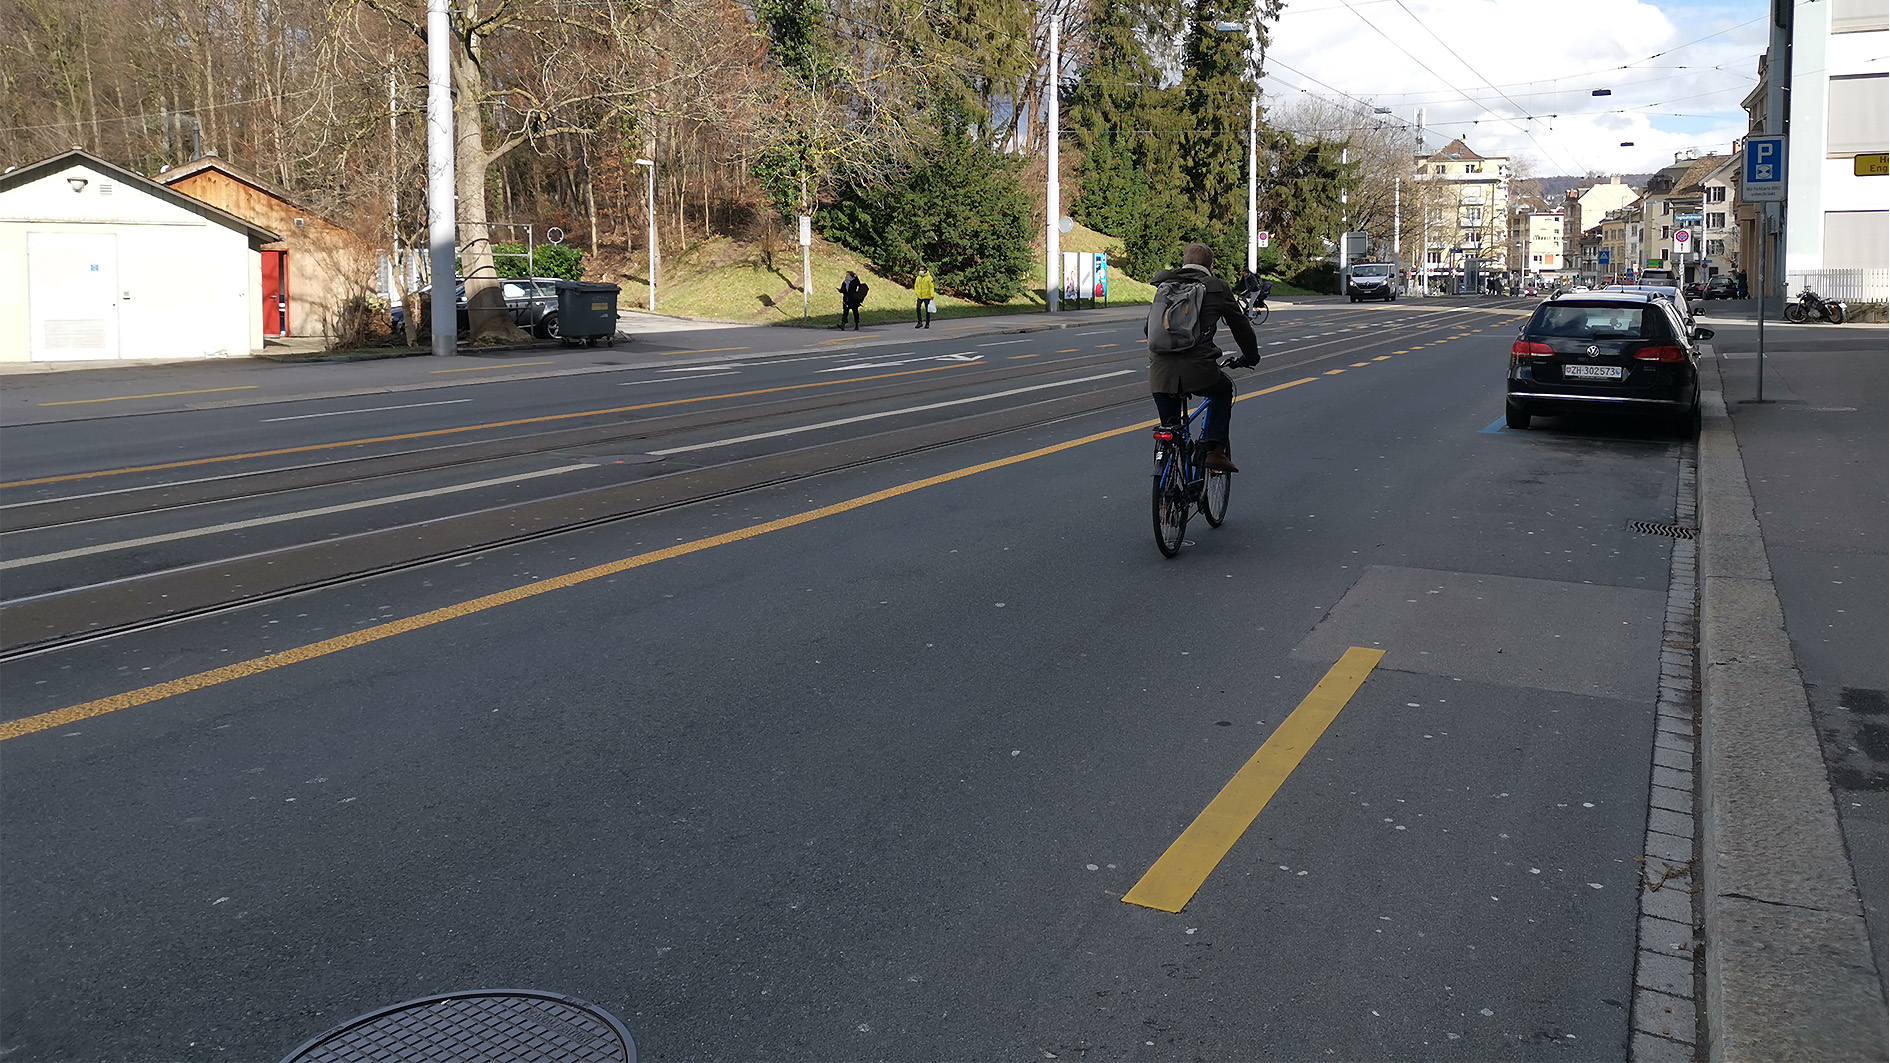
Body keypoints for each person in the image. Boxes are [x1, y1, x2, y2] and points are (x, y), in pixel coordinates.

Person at [1147, 243, 1259, 473]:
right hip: (1199, 372)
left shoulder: (1165, 286)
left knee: (1171, 429)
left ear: (1183, 261)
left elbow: (1148, 330)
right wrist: (1251, 357)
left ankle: (1164, 494)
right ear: (1211, 265)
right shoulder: (1216, 287)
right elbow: (1241, 328)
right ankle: (1214, 451)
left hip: (1160, 375)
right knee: (1223, 389)